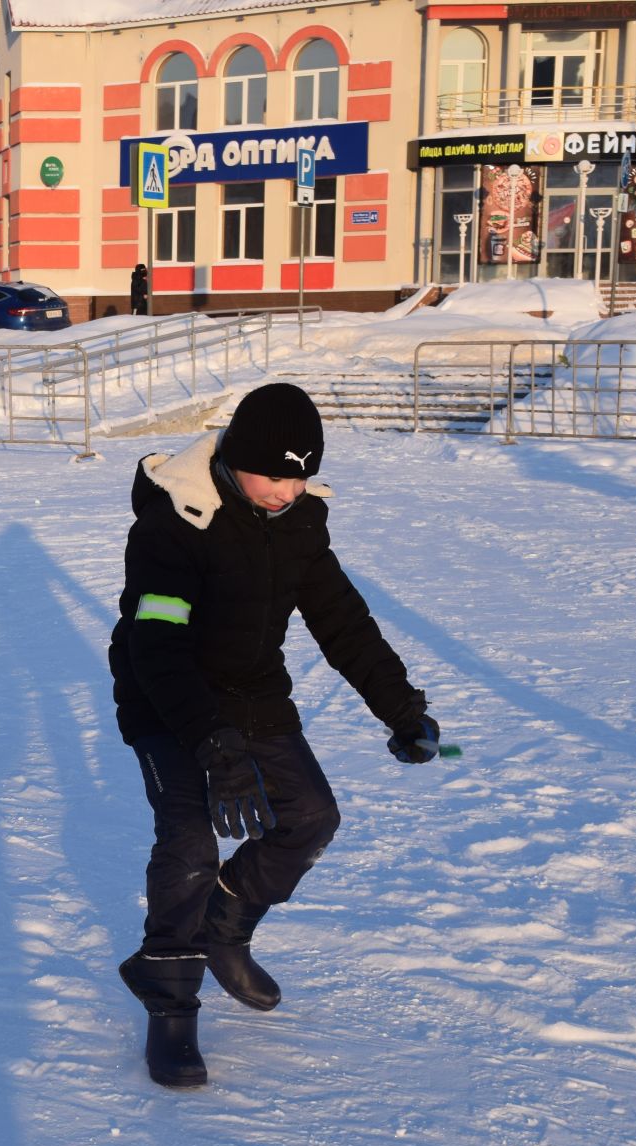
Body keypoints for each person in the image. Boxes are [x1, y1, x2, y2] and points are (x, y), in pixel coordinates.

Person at [107, 383, 441, 1087]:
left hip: (252, 693)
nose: (287, 489)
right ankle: (169, 997)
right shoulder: (173, 525)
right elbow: (156, 648)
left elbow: (341, 621)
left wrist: (400, 708)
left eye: (299, 474)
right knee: (191, 843)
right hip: (168, 700)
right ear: (234, 459)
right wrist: (211, 744)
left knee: (311, 817)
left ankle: (224, 931)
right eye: (275, 473)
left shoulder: (299, 522)